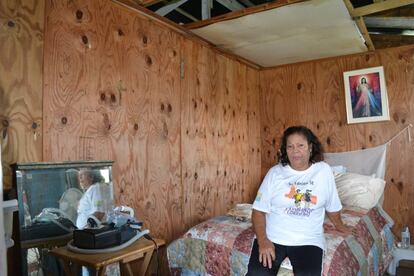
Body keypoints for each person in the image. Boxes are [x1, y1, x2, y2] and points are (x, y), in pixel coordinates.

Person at [247, 126, 351, 276]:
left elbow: (332, 206)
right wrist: (263, 241)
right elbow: (258, 211)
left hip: (308, 240)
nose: (295, 150)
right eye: (290, 146)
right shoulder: (275, 173)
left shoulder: (323, 171)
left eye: (300, 145)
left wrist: (340, 226)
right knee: (257, 273)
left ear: (310, 147)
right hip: (273, 236)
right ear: (285, 150)